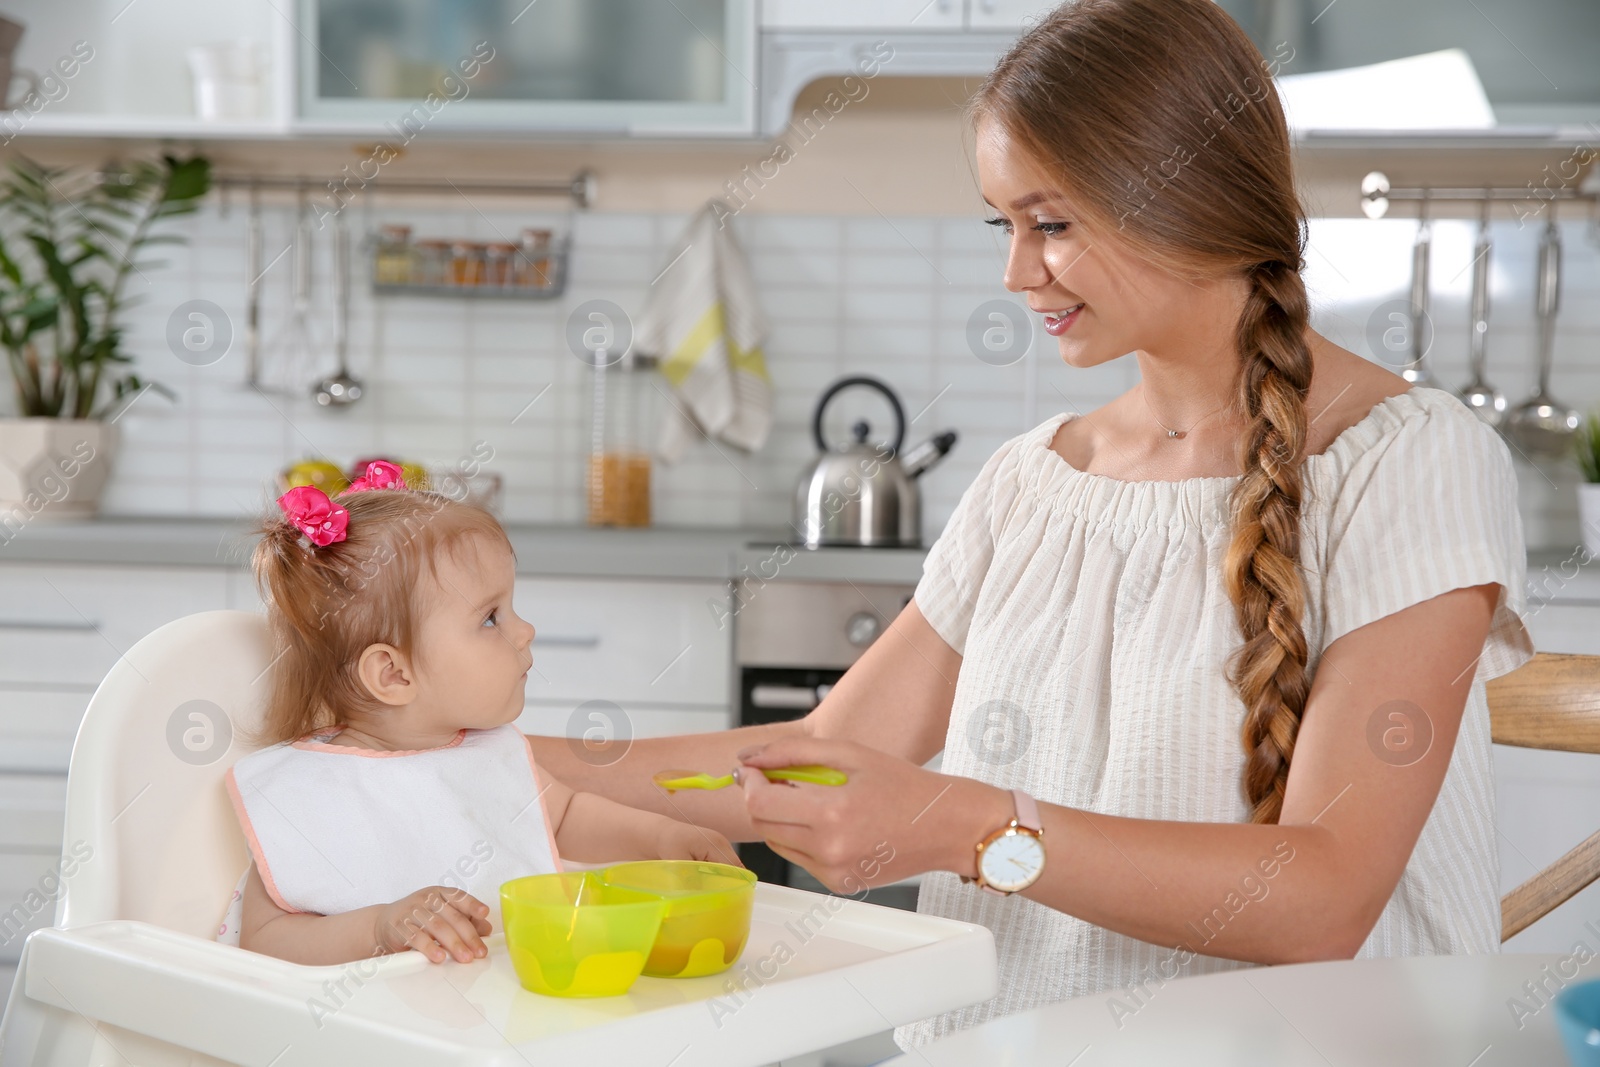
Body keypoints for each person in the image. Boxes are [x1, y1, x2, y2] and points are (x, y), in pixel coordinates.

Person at [530, 0, 1536, 1051]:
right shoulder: (1034, 479)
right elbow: (827, 752)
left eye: (1050, 224)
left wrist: (964, 826)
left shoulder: (1409, 461)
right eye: (1001, 225)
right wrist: (518, 763)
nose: (1015, 273)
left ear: (1187, 197)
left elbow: (1321, 899)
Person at [220, 462, 738, 966]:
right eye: (491, 617)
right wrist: (381, 926)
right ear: (394, 675)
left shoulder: (486, 752)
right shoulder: (307, 792)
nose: (525, 630)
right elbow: (267, 943)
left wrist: (663, 837)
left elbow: (565, 815)